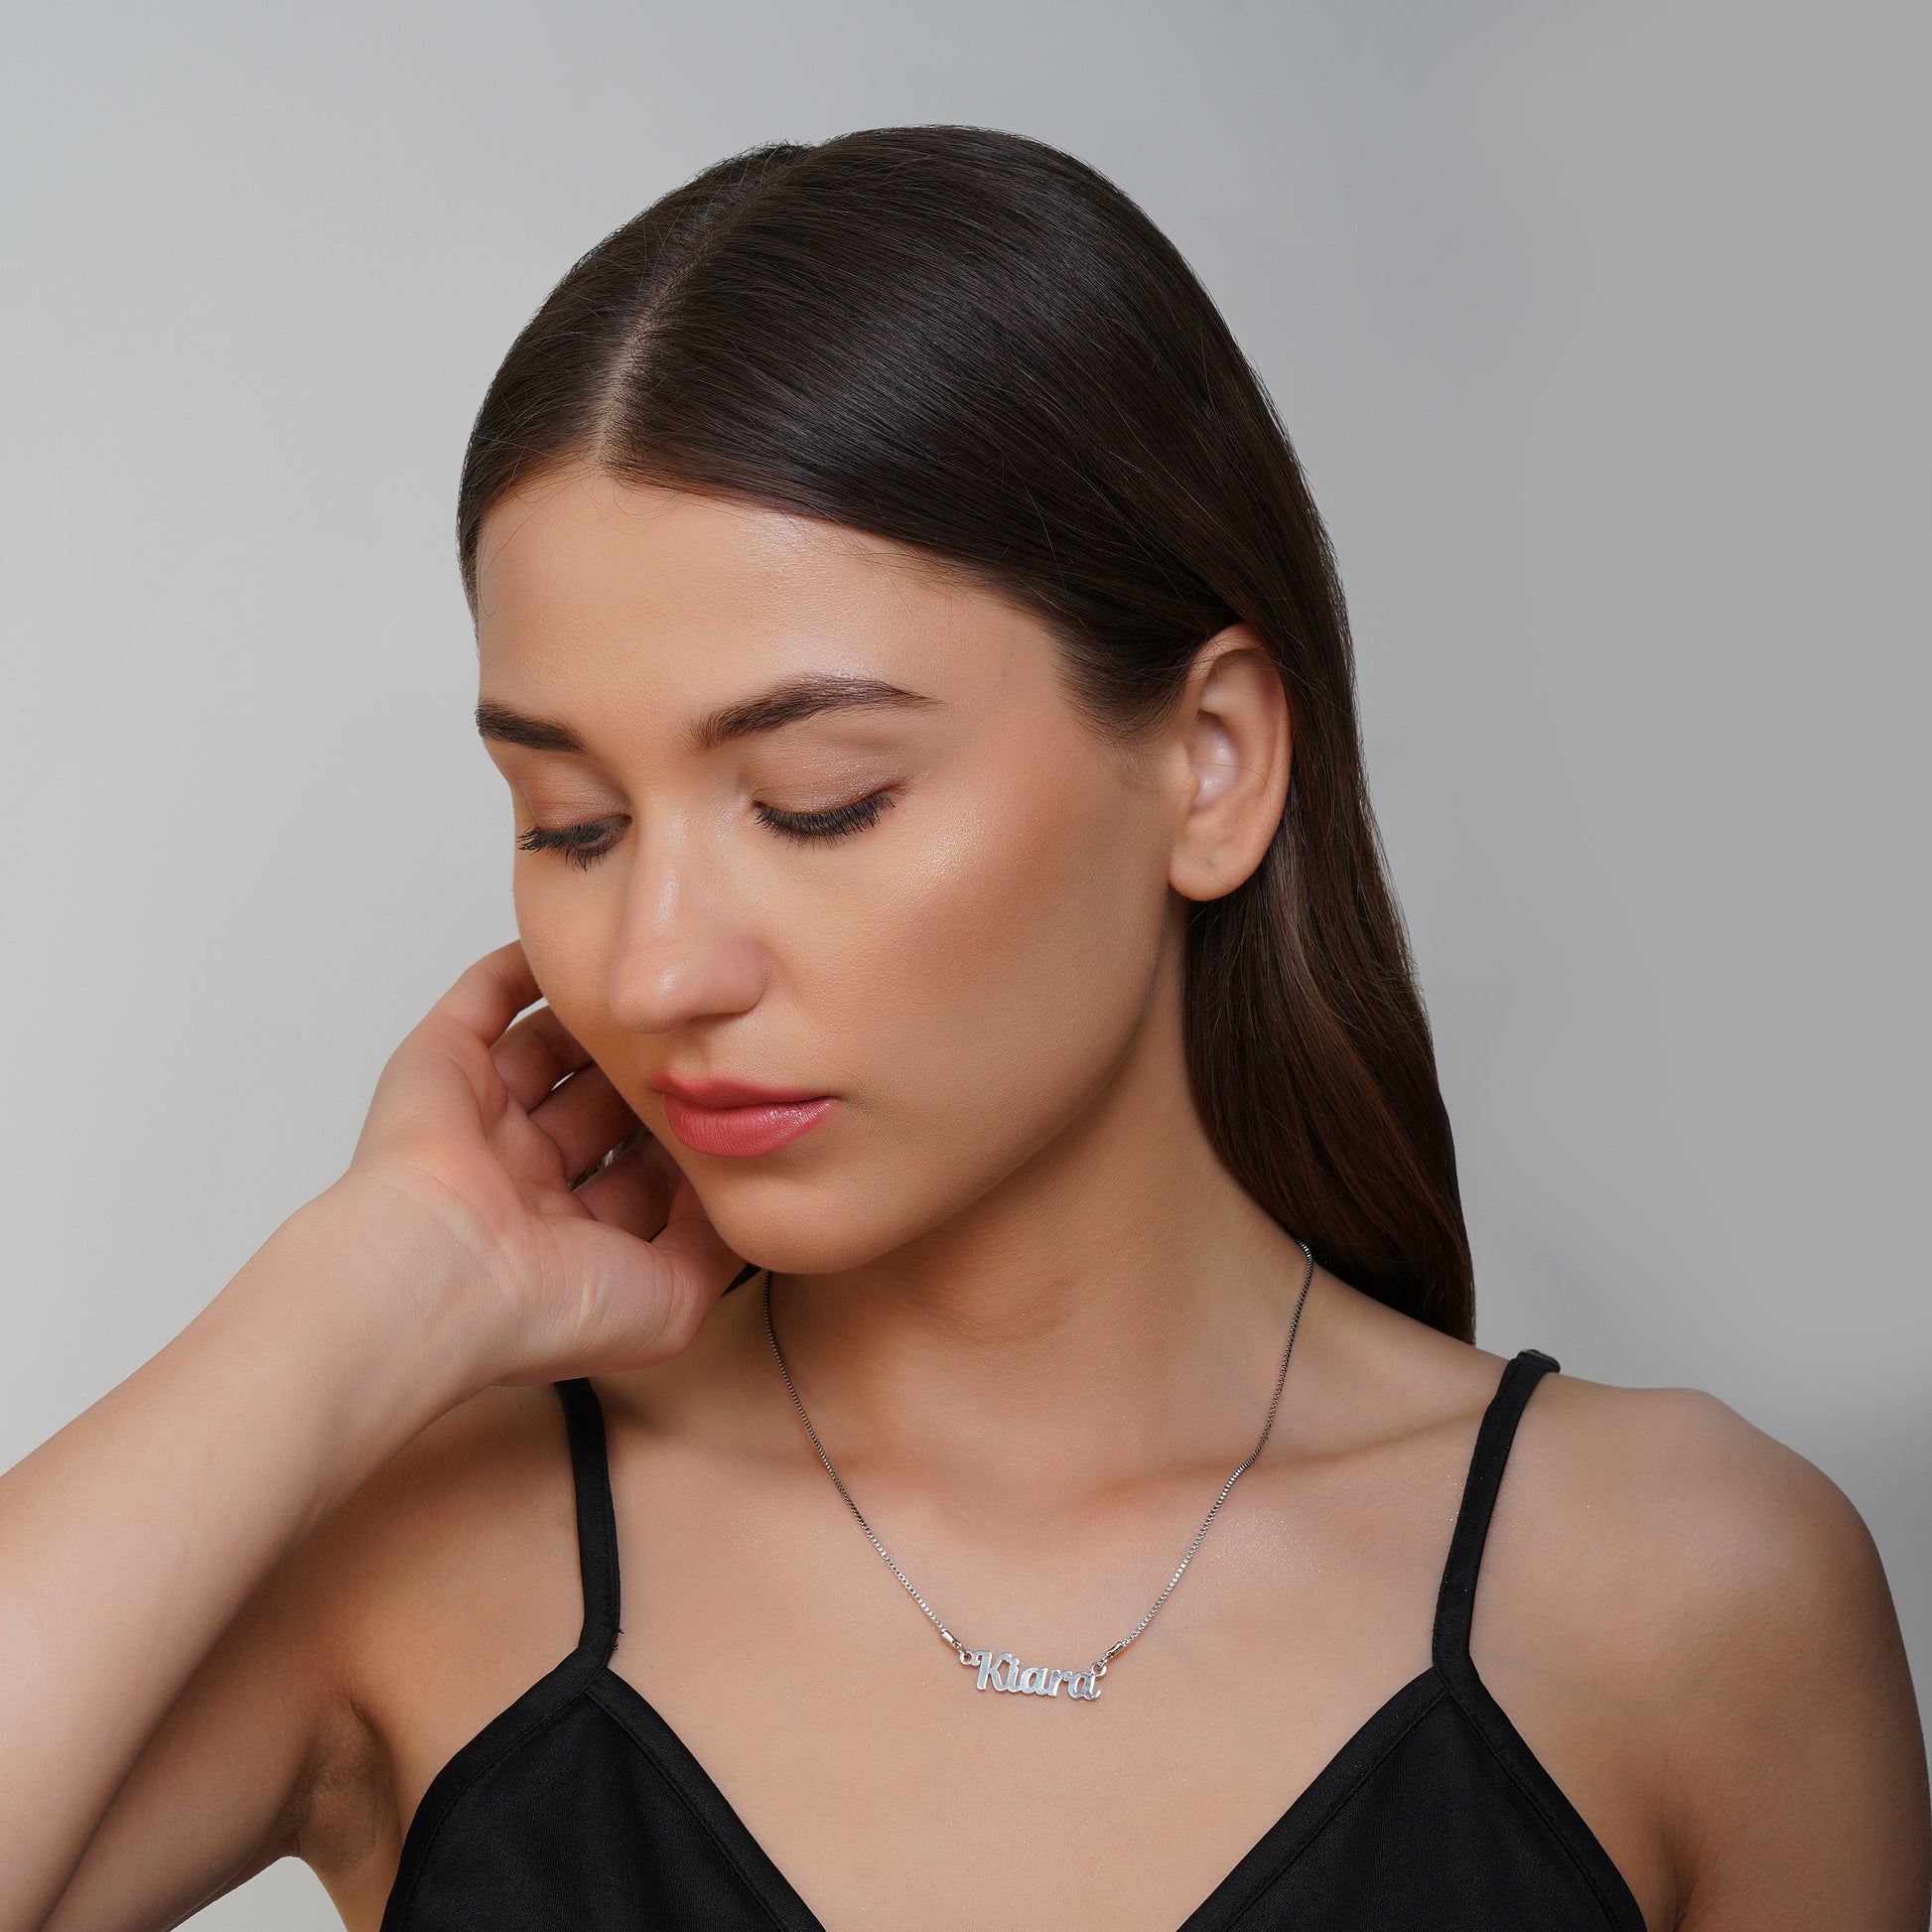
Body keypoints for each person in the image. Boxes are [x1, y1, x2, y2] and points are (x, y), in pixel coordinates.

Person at [2, 124, 1925, 1932]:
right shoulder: (422, 1562)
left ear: (1210, 761)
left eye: (818, 799)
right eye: (571, 823)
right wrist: (368, 1287)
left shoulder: (1687, 1599)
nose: (654, 968)